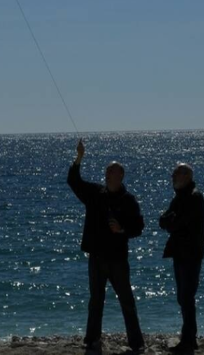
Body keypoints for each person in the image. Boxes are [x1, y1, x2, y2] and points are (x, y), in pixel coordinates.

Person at [67, 139, 145, 352]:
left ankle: (136, 343)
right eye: (106, 171)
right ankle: (92, 340)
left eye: (111, 171)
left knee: (127, 301)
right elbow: (73, 181)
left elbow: (139, 227)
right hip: (97, 257)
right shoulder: (95, 193)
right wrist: (79, 157)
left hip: (118, 258)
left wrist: (121, 229)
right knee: (96, 301)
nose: (106, 174)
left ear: (120, 176)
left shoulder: (128, 200)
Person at [159, 163, 204, 355]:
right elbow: (165, 220)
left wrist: (170, 222)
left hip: (190, 254)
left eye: (176, 174)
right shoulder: (180, 197)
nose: (172, 177)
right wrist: (169, 221)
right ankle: (189, 338)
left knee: (186, 296)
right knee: (183, 297)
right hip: (181, 253)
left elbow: (176, 223)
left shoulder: (194, 197)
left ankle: (188, 339)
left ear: (186, 176)